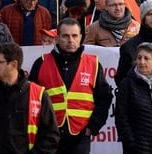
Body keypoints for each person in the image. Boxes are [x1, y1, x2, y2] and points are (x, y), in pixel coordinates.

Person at [28, 18, 113, 154]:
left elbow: (104, 98)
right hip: (49, 136)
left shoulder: (93, 64)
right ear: (57, 38)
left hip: (80, 137)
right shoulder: (41, 63)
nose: (70, 40)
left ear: (80, 37)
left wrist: (93, 126)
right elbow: (31, 100)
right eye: (65, 36)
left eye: (74, 36)